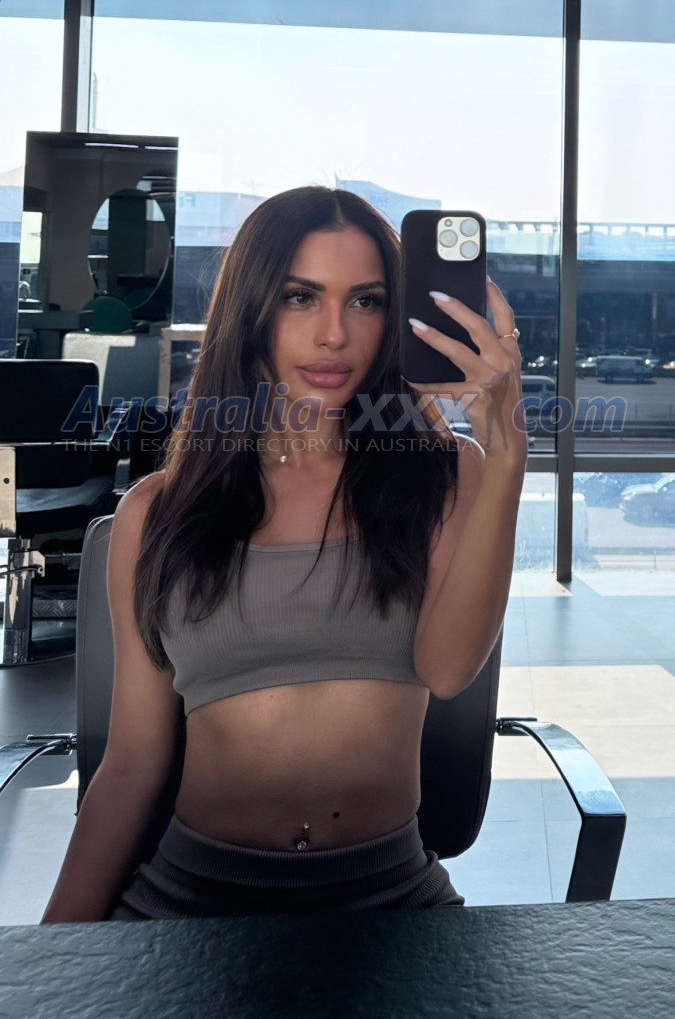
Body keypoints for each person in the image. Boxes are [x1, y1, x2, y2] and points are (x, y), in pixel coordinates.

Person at [40, 186, 527, 923]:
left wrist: (507, 453)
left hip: (393, 903)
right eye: (302, 297)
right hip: (187, 906)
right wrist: (55, 953)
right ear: (252, 309)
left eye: (365, 301)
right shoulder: (156, 513)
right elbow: (132, 764)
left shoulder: (445, 475)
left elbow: (448, 668)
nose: (334, 334)